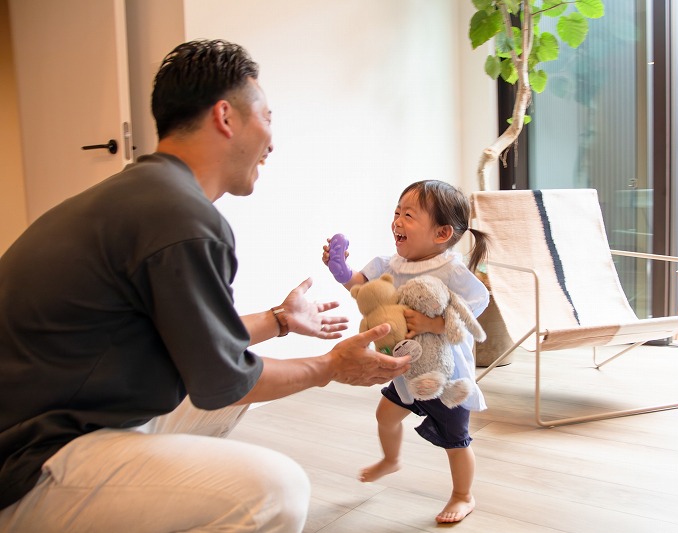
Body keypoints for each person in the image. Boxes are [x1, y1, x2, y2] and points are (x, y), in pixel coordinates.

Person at [0, 39, 410, 532]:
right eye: (268, 117)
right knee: (275, 490)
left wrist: (280, 321)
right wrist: (330, 366)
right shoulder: (180, 218)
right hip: (28, 467)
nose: (273, 141)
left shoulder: (145, 196)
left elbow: (195, 344)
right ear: (225, 117)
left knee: (222, 405)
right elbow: (224, 381)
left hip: (61, 424)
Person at [322, 180, 490, 524]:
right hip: (404, 370)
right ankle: (391, 459)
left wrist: (437, 325)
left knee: (456, 441)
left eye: (409, 215)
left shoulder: (451, 270)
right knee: (385, 416)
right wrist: (340, 269)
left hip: (445, 377)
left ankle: (463, 494)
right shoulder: (388, 263)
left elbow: (477, 303)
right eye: (397, 212)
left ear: (441, 233)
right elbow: (362, 289)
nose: (397, 221)